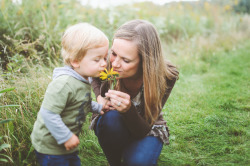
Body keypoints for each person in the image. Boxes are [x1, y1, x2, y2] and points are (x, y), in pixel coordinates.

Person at [90, 19, 179, 166]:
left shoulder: (165, 76)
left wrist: (128, 109)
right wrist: (99, 96)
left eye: (126, 60)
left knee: (139, 162)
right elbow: (94, 76)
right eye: (113, 53)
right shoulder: (108, 61)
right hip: (114, 121)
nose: (115, 64)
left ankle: (134, 151)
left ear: (145, 61)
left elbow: (142, 130)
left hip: (146, 127)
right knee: (110, 118)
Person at [31, 23, 109, 166]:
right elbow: (48, 114)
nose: (104, 64)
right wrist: (66, 137)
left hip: (67, 145)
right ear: (75, 61)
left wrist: (98, 108)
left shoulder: (83, 78)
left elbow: (79, 102)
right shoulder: (64, 84)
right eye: (97, 60)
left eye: (105, 58)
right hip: (52, 147)